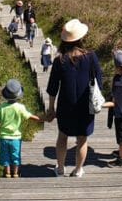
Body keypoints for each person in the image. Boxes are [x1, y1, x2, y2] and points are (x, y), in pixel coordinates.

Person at [45, 18, 103, 177]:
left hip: (66, 104)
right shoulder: (91, 57)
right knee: (82, 139)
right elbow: (99, 80)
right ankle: (78, 169)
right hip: (85, 104)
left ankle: (61, 168)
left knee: (62, 136)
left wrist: (51, 108)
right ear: (80, 38)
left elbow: (52, 87)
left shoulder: (60, 60)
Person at [0, 79, 44, 178]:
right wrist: (42, 119)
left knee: (5, 157)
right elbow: (30, 116)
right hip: (16, 138)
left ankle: (7, 173)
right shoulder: (20, 107)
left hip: (3, 137)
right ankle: (15, 173)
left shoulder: (1, 107)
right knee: (16, 156)